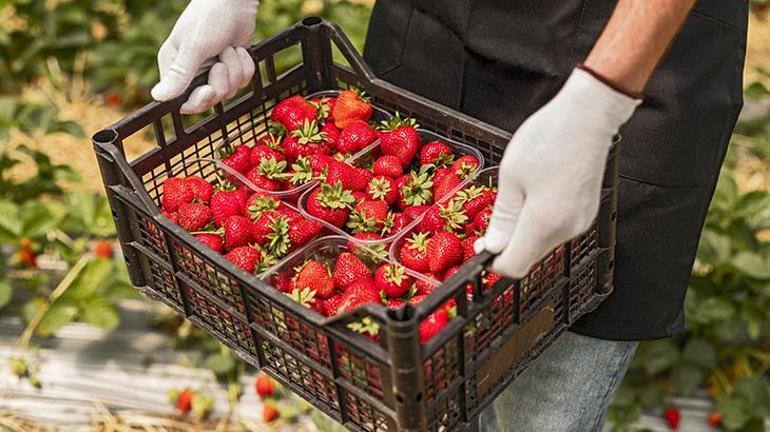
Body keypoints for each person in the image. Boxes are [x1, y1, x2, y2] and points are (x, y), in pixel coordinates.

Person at [152, 0, 748, 430]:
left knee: (547, 416)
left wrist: (601, 100)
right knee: (399, 394)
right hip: (441, 29)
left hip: (640, 54)